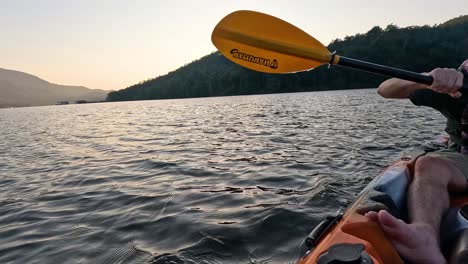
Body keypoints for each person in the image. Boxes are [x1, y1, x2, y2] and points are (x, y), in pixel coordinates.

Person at [365, 59, 468, 264]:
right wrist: (426, 80)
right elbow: (385, 89)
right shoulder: (457, 87)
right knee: (428, 165)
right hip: (464, 158)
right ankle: (424, 236)